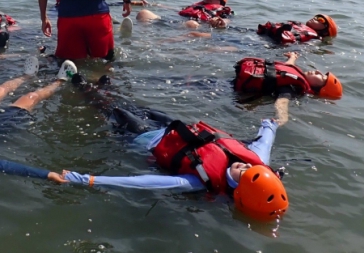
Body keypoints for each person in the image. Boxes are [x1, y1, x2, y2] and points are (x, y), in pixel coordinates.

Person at [61, 81, 289, 221]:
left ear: (239, 191)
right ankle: (104, 85)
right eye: (253, 167)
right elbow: (264, 141)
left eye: (246, 174)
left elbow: (144, 182)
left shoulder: (200, 182)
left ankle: (79, 84)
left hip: (145, 138)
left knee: (112, 110)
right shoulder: (257, 161)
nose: (247, 166)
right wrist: (271, 123)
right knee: (131, 104)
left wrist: (88, 180)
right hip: (174, 127)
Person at [234, 51, 343, 125]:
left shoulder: (293, 88)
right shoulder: (295, 78)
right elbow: (286, 68)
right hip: (242, 81)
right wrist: (292, 57)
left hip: (236, 89)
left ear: (320, 89)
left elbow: (282, 101)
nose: (318, 71)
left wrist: (282, 118)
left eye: (322, 77)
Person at [136, 0, 231, 29]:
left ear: (221, 3)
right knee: (144, 13)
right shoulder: (196, 6)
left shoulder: (223, 12)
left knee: (191, 23)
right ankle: (145, 37)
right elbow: (177, 10)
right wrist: (151, 5)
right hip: (174, 21)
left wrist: (221, 22)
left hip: (197, 25)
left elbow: (227, 20)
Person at [257, 14, 338, 45]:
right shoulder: (299, 25)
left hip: (274, 43)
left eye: (320, 20)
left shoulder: (315, 39)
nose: (315, 18)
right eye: (316, 17)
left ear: (325, 31)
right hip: (263, 34)